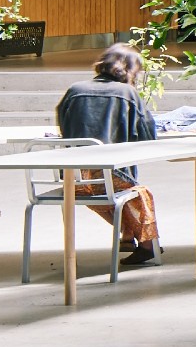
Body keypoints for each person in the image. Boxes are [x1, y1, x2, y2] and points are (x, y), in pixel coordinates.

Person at [56, 44, 162, 266]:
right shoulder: (127, 93)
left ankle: (126, 236)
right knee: (137, 192)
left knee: (116, 191)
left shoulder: (75, 90)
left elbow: (64, 129)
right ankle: (148, 246)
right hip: (107, 178)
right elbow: (147, 137)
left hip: (73, 178)